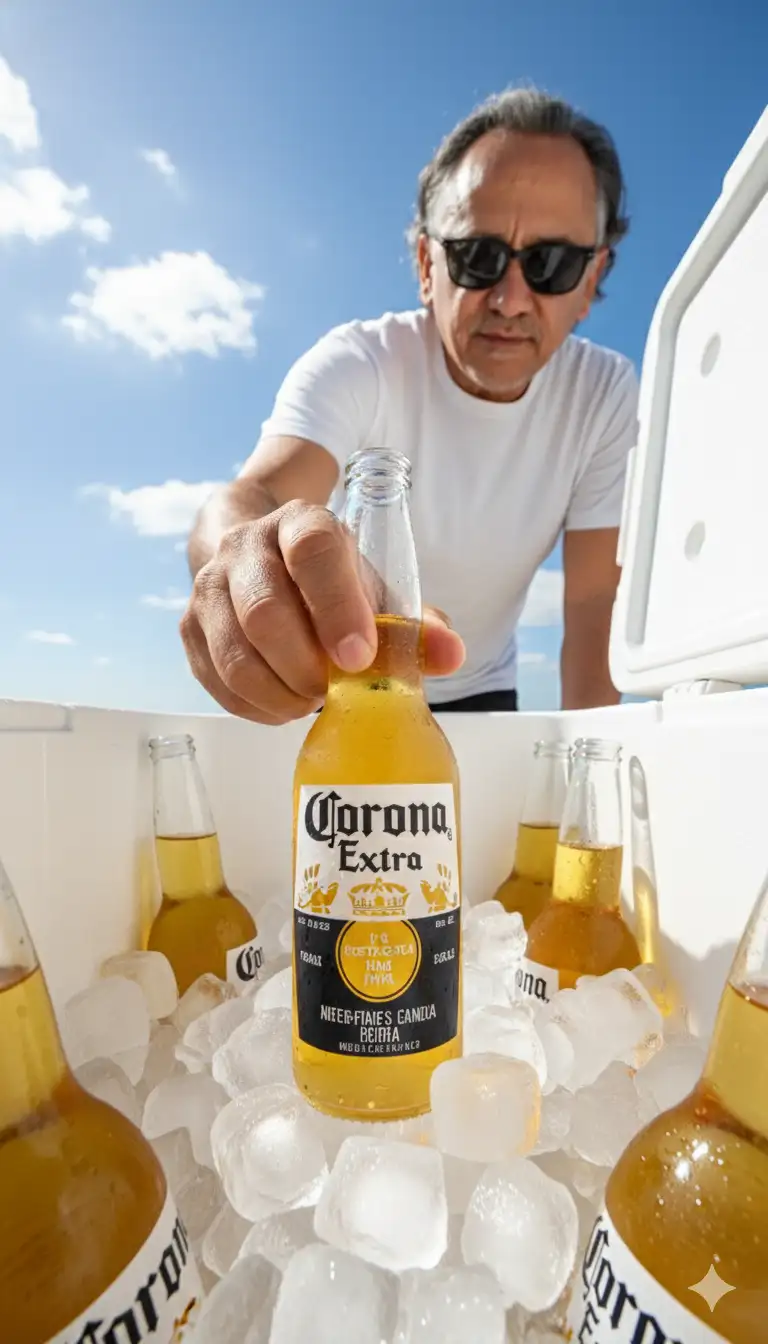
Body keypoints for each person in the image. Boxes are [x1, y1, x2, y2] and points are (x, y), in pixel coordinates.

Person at [182, 85, 637, 726]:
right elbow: (254, 496)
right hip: (348, 671)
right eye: (478, 257)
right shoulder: (360, 362)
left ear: (591, 281)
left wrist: (589, 763)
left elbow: (593, 604)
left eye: (553, 264)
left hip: (481, 688)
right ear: (427, 264)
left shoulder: (605, 395)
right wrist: (240, 562)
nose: (510, 300)